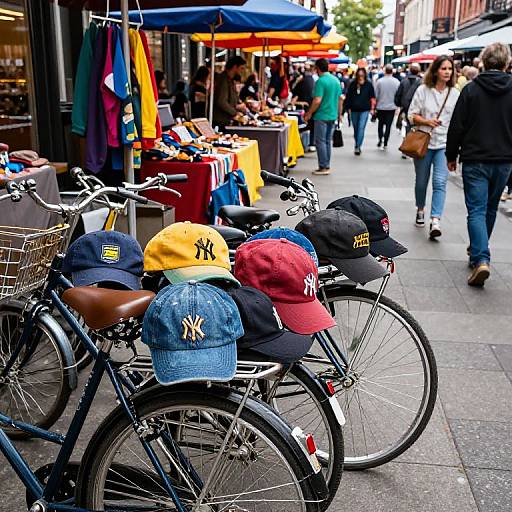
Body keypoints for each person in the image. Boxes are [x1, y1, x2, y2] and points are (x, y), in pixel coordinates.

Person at [446, 43, 512, 286]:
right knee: (491, 208)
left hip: (475, 159)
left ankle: (481, 256)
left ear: (483, 61)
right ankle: (478, 252)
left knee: (476, 210)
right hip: (504, 161)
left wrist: (451, 154)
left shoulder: (472, 90)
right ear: (506, 63)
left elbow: (457, 125)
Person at [408, 55, 459, 238]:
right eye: (444, 68)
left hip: (444, 144)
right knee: (421, 181)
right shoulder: (423, 90)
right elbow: (411, 115)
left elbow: (458, 120)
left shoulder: (455, 93)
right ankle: (420, 208)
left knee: (439, 182)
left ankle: (435, 219)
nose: (447, 72)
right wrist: (427, 121)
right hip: (424, 142)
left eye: (450, 69)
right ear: (436, 70)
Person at [304, 58, 342, 175]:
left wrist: (309, 113)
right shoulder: (335, 80)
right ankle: (326, 165)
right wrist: (339, 114)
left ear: (318, 68)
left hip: (321, 115)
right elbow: (340, 99)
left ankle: (323, 166)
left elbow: (317, 100)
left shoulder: (321, 81)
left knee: (320, 141)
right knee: (327, 141)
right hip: (332, 115)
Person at [345, 67, 376, 155]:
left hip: (364, 109)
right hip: (354, 109)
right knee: (356, 128)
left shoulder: (368, 85)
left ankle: (358, 146)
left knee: (361, 127)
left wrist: (372, 108)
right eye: (359, 75)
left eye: (362, 75)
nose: (361, 77)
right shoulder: (352, 84)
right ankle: (357, 143)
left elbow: (372, 96)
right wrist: (347, 108)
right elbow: (349, 96)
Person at [213, 56, 247, 130]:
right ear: (235, 67)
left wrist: (239, 104)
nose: (242, 71)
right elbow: (221, 101)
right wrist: (235, 113)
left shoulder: (230, 80)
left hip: (226, 120)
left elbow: (232, 99)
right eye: (241, 68)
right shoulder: (223, 79)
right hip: (221, 121)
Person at [375, 64, 400, 150]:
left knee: (380, 124)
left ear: (385, 71)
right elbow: (398, 95)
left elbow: (376, 95)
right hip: (391, 107)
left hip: (381, 106)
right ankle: (385, 142)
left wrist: (375, 105)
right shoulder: (397, 82)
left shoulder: (379, 81)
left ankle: (380, 139)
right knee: (389, 125)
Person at [394, 63, 422, 133]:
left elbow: (398, 94)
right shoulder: (421, 82)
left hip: (406, 106)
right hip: (417, 107)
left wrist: (399, 104)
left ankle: (408, 137)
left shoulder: (404, 81)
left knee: (408, 123)